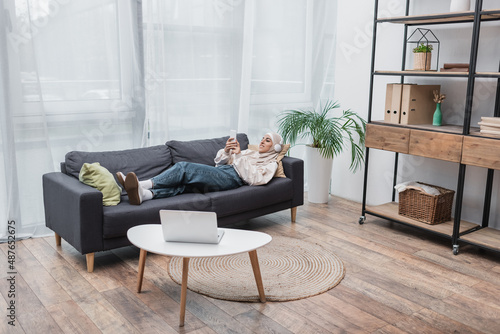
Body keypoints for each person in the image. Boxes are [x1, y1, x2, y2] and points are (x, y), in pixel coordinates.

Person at [117, 132, 283, 205]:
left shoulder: (271, 164)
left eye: (267, 140)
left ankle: (142, 184)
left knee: (183, 168)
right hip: (224, 172)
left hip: (234, 178)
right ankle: (145, 195)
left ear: (275, 147)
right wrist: (227, 151)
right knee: (184, 187)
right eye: (262, 138)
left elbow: (255, 180)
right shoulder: (249, 152)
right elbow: (219, 164)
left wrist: (238, 156)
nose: (262, 141)